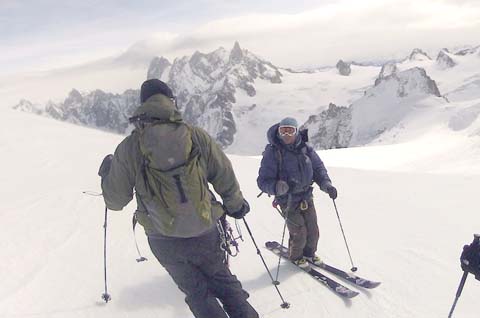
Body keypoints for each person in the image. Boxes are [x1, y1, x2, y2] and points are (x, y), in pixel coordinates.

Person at [98, 79, 259, 318]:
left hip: (163, 238)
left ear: (143, 105)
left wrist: (106, 175)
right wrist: (235, 206)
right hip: (204, 230)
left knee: (197, 294)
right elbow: (223, 174)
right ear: (171, 101)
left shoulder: (130, 147)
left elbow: (115, 201)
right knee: (224, 283)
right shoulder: (196, 136)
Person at [257, 117, 337, 269]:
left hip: (306, 196)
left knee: (313, 230)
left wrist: (327, 185)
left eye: (290, 130)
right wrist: (277, 187)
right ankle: (296, 256)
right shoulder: (273, 152)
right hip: (287, 200)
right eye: (283, 131)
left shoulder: (305, 149)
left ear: (296, 132)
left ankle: (309, 254)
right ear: (279, 132)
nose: (286, 135)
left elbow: (318, 169)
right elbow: (262, 181)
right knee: (299, 231)